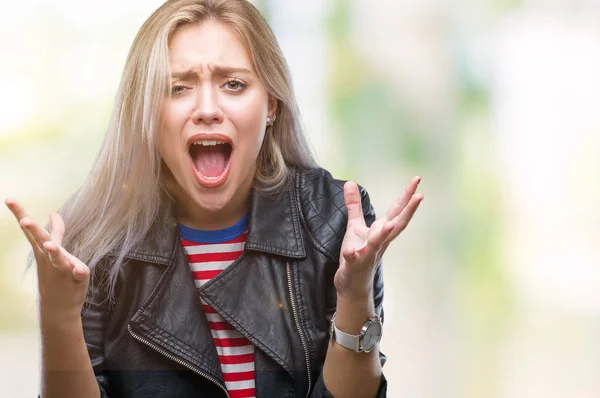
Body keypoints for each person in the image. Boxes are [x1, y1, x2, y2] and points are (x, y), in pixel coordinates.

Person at [5, 0, 423, 397]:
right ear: (148, 111)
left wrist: (354, 295)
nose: (207, 108)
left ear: (271, 104)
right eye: (178, 87)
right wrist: (58, 314)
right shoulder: (94, 245)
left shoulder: (332, 221)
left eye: (234, 84)